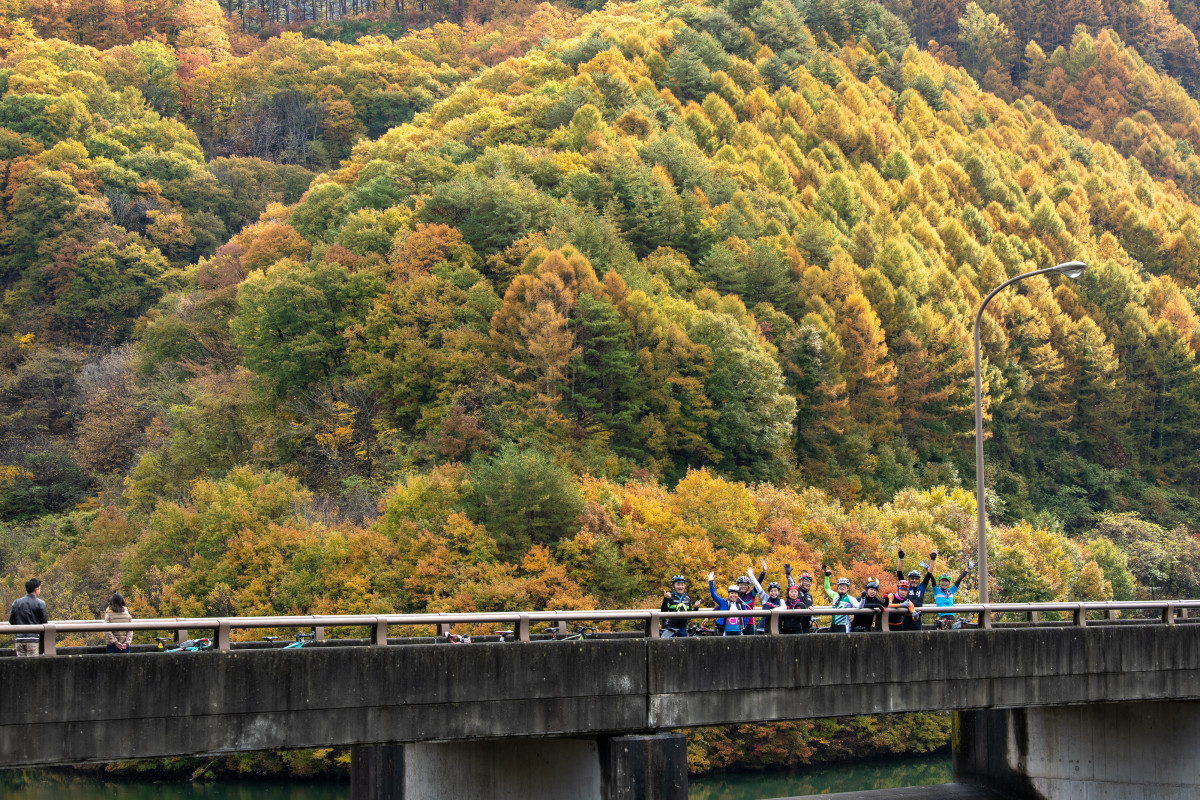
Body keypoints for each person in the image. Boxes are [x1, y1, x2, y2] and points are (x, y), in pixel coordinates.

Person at [8, 578, 48, 657]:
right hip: (33, 639)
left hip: (19, 639)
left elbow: (11, 620)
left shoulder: (16, 602)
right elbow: (44, 621)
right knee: (32, 666)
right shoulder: (40, 603)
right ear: (36, 589)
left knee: (21, 665)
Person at [896, 549, 934, 629]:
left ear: (918, 580)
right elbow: (899, 573)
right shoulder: (905, 587)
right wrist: (901, 559)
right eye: (912, 578)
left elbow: (929, 575)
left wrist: (933, 560)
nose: (914, 580)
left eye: (916, 579)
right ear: (909, 579)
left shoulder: (921, 587)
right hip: (906, 618)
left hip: (917, 619)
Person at [933, 564, 971, 629]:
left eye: (946, 581)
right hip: (943, 618)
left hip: (952, 618)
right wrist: (928, 569)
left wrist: (967, 570)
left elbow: (958, 580)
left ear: (948, 583)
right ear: (939, 582)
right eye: (942, 581)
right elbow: (932, 580)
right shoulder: (936, 591)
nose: (944, 583)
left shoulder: (951, 591)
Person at [786, 566, 815, 633]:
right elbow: (792, 585)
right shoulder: (797, 591)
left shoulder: (809, 595)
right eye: (805, 581)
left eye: (809, 581)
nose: (807, 583)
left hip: (806, 623)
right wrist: (788, 575)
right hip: (797, 622)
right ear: (800, 581)